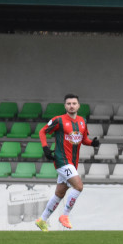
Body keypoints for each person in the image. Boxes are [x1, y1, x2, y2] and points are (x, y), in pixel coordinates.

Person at [35, 94, 99, 231]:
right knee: (79, 187)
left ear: (78, 105)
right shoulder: (58, 120)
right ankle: (64, 215)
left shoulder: (82, 121)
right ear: (65, 106)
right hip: (61, 160)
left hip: (72, 162)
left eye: (74, 103)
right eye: (68, 103)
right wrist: (45, 148)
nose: (71, 106)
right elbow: (42, 132)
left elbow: (83, 139)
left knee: (59, 193)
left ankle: (42, 220)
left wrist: (92, 143)